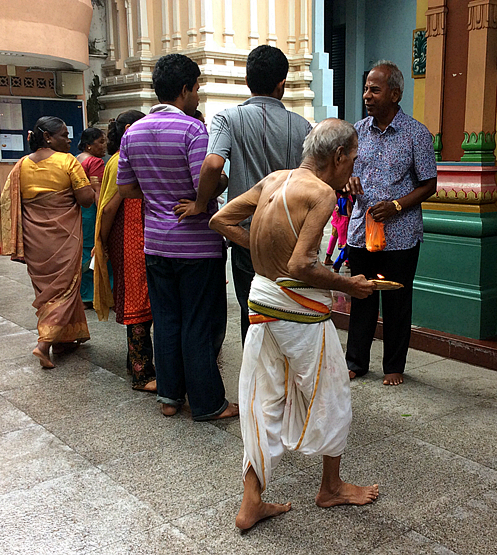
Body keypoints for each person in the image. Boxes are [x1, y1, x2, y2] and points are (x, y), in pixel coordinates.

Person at [210, 119, 379, 531]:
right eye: (352, 159)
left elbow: (220, 221)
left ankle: (251, 503)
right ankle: (331, 487)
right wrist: (349, 285)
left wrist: (263, 246)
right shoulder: (321, 193)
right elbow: (302, 264)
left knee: (262, 400)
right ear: (338, 157)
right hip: (298, 312)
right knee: (333, 393)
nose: (351, 169)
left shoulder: (273, 179)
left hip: (263, 303)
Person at [117, 54, 237, 421]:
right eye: (197, 88)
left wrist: (157, 196)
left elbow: (125, 190)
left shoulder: (132, 132)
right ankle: (207, 404)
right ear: (184, 89)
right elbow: (209, 176)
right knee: (198, 322)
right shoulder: (191, 130)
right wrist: (202, 202)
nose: (198, 96)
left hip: (155, 243)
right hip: (197, 245)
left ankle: (169, 397)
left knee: (167, 320)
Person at [174, 45, 312, 345]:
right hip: (291, 240)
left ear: (248, 81)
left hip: (246, 238)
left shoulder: (228, 118)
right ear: (282, 84)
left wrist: (200, 204)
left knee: (253, 315)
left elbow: (212, 164)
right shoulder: (303, 127)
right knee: (290, 314)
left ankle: (256, 383)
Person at [345, 60, 437, 386]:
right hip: (361, 231)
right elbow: (345, 171)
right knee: (362, 296)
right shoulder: (356, 131)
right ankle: (355, 361)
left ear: (395, 94)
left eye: (375, 89)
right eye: (366, 88)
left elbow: (429, 184)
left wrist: (397, 206)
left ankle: (394, 366)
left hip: (401, 235)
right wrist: (348, 183)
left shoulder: (416, 134)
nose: (367, 95)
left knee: (397, 301)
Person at [0, 116, 96, 368]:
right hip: (63, 237)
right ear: (48, 137)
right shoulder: (67, 162)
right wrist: (94, 186)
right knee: (64, 288)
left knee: (48, 290)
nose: (69, 139)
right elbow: (86, 199)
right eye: (64, 135)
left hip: (34, 238)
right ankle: (44, 344)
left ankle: (64, 339)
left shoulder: (20, 165)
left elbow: (9, 201)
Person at [93, 110, 157, 392]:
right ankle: (142, 374)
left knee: (139, 298)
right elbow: (108, 207)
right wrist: (103, 242)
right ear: (131, 129)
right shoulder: (123, 160)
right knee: (138, 302)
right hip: (131, 236)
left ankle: (135, 362)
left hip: (131, 235)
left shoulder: (118, 159)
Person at [76, 127, 107, 308]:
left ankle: (81, 293)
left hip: (79, 210)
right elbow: (98, 192)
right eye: (100, 142)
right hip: (91, 211)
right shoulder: (95, 162)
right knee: (95, 248)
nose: (104, 146)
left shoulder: (76, 159)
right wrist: (102, 215)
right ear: (89, 145)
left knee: (82, 250)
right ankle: (91, 295)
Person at [323, 191, 354, 273]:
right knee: (347, 244)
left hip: (339, 219)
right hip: (345, 223)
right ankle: (338, 263)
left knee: (337, 237)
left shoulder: (339, 199)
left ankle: (331, 257)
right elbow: (349, 213)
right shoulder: (347, 200)